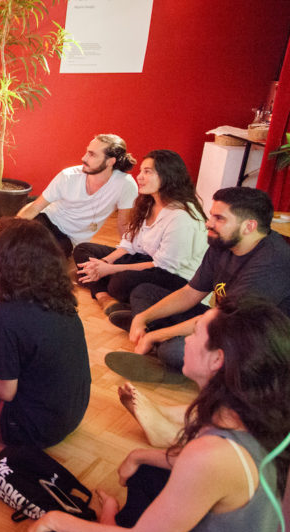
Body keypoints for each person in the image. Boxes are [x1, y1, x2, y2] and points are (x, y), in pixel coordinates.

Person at [30, 297, 290, 532]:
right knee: (147, 469)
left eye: (195, 333)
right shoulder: (251, 414)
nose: (186, 341)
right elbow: (199, 469)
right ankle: (117, 529)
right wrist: (139, 455)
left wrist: (54, 520)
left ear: (218, 359)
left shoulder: (215, 454)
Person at [0, 218, 90, 447]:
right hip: (69, 414)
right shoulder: (59, 298)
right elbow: (32, 360)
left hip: (29, 427)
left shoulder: (6, 317)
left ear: (7, 261)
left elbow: (6, 392)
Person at [129, 186, 290, 369]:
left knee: (174, 352)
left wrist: (156, 335)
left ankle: (159, 339)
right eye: (211, 215)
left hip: (257, 338)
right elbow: (191, 292)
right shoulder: (222, 242)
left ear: (249, 226)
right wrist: (142, 318)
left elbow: (226, 319)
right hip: (221, 320)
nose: (208, 223)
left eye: (219, 218)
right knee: (144, 292)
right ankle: (157, 335)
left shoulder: (272, 261)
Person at [73, 150, 207, 329]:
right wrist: (103, 263)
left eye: (147, 172)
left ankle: (105, 288)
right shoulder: (149, 202)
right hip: (147, 260)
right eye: (141, 171)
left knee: (121, 282)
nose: (140, 177)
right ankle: (104, 297)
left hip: (175, 276)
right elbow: (128, 244)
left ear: (168, 175)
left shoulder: (181, 217)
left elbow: (163, 265)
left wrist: (109, 269)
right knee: (83, 250)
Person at [17, 134, 138, 257]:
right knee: (22, 245)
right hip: (47, 220)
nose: (84, 158)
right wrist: (10, 230)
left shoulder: (125, 185)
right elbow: (36, 206)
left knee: (43, 257)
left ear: (110, 162)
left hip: (70, 239)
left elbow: (123, 224)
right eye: (87, 152)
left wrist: (129, 255)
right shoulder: (68, 176)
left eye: (92, 154)